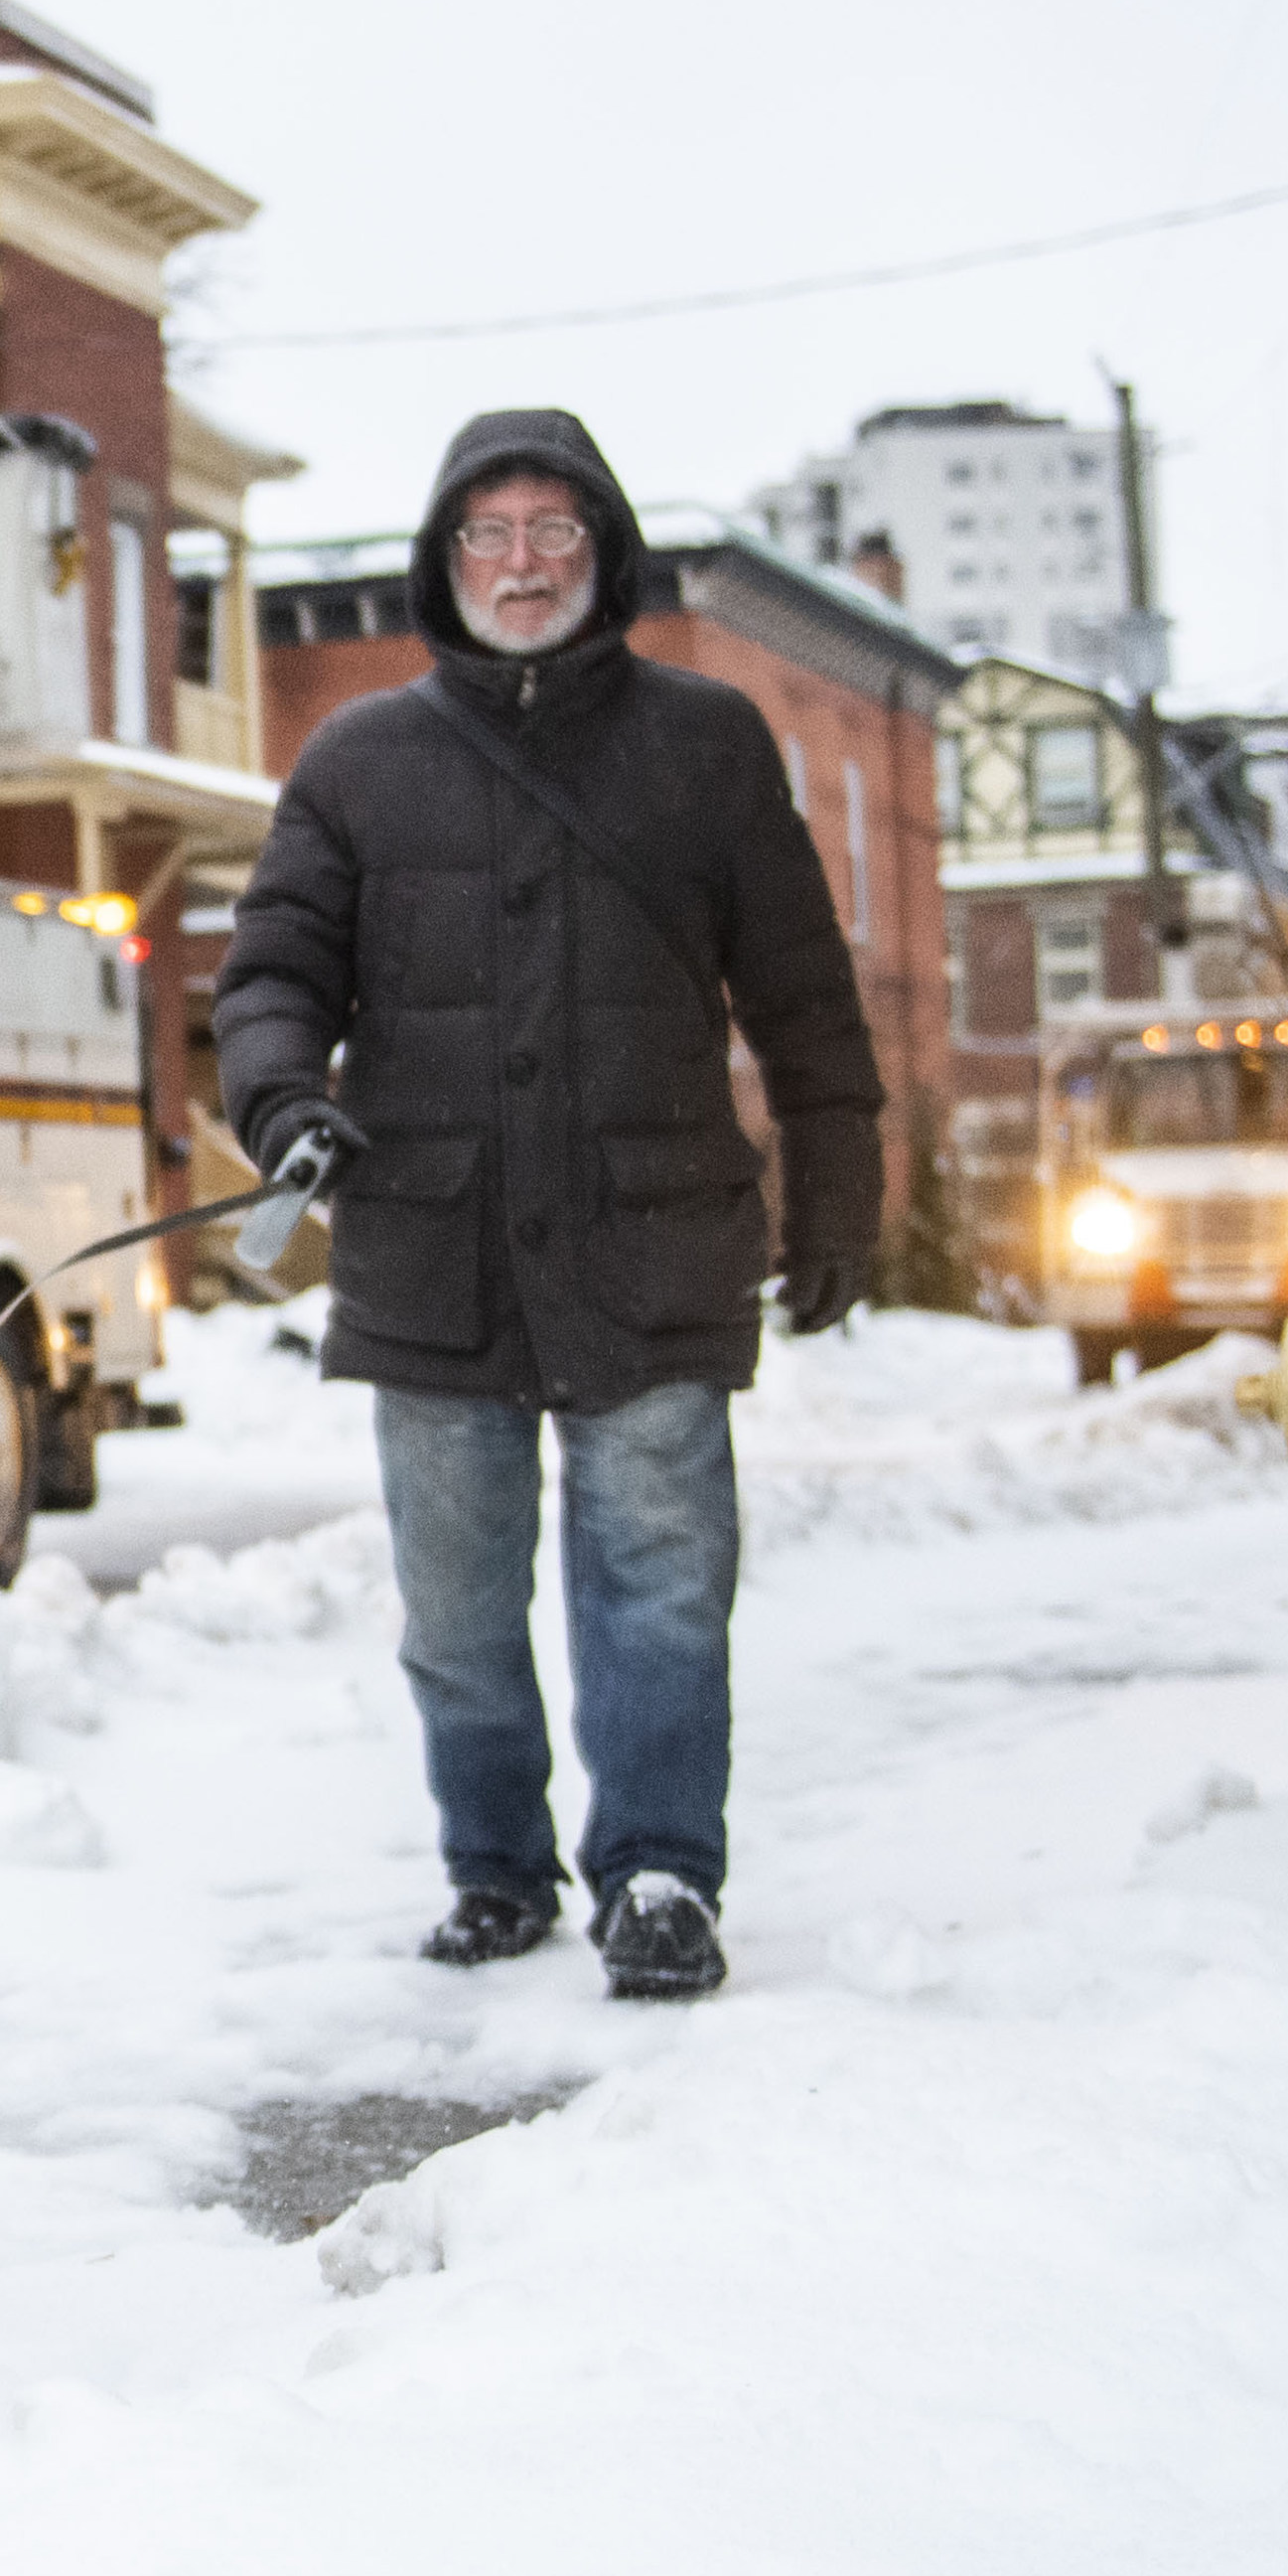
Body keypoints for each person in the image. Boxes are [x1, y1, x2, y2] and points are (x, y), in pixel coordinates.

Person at [214, 410, 882, 2000]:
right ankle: (495, 1865)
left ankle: (658, 1868)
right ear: (447, 564)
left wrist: (839, 1194)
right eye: (490, 536)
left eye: (553, 533)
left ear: (605, 550)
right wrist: (284, 1099)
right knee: (456, 1603)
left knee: (658, 1579)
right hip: (429, 1247)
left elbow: (803, 996)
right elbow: (272, 974)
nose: (523, 565)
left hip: (655, 1234)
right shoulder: (357, 760)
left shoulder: (708, 742)